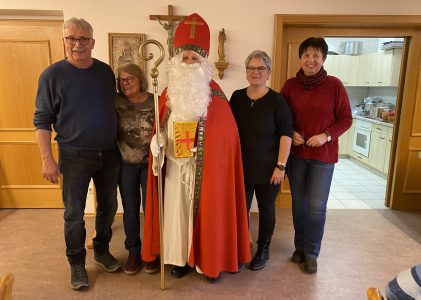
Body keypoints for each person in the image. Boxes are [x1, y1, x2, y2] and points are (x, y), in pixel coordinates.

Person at [142, 13, 251, 282]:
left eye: (195, 59)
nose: (189, 63)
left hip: (206, 171)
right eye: (185, 58)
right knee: (176, 216)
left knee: (208, 214)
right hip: (174, 169)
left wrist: (204, 152)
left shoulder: (216, 96)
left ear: (204, 63)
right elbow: (162, 129)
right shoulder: (168, 94)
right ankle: (179, 259)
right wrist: (158, 142)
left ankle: (207, 260)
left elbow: (226, 139)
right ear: (176, 61)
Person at [33, 17, 121, 290]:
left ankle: (102, 250)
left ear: (93, 42)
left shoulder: (106, 73)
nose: (77, 44)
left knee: (108, 207)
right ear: (64, 41)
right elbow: (42, 119)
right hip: (73, 155)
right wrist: (48, 159)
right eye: (71, 38)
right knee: (73, 214)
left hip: (108, 152)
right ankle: (77, 264)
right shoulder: (51, 76)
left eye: (83, 39)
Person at [280, 37, 352, 274]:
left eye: (316, 55)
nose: (311, 60)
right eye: (306, 55)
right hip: (297, 155)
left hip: (324, 157)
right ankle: (299, 247)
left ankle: (311, 253)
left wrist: (326, 136)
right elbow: (281, 117)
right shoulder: (290, 86)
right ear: (300, 59)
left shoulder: (335, 85)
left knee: (316, 206)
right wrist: (290, 131)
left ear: (323, 59)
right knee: (299, 205)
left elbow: (346, 118)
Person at [230, 50, 293, 271]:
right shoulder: (236, 97)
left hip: (269, 169)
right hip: (240, 168)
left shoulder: (277, 101)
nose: (256, 72)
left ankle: (263, 249)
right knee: (240, 211)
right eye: (251, 68)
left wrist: (281, 166)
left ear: (268, 73)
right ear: (246, 73)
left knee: (266, 210)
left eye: (261, 68)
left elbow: (286, 134)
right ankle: (241, 249)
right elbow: (227, 130)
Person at [115, 63, 154, 275]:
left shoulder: (154, 100)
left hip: (150, 165)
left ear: (140, 79)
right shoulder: (116, 101)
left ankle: (151, 252)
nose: (126, 83)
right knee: (130, 210)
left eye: (130, 78)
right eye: (122, 79)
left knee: (151, 209)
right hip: (126, 165)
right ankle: (133, 252)